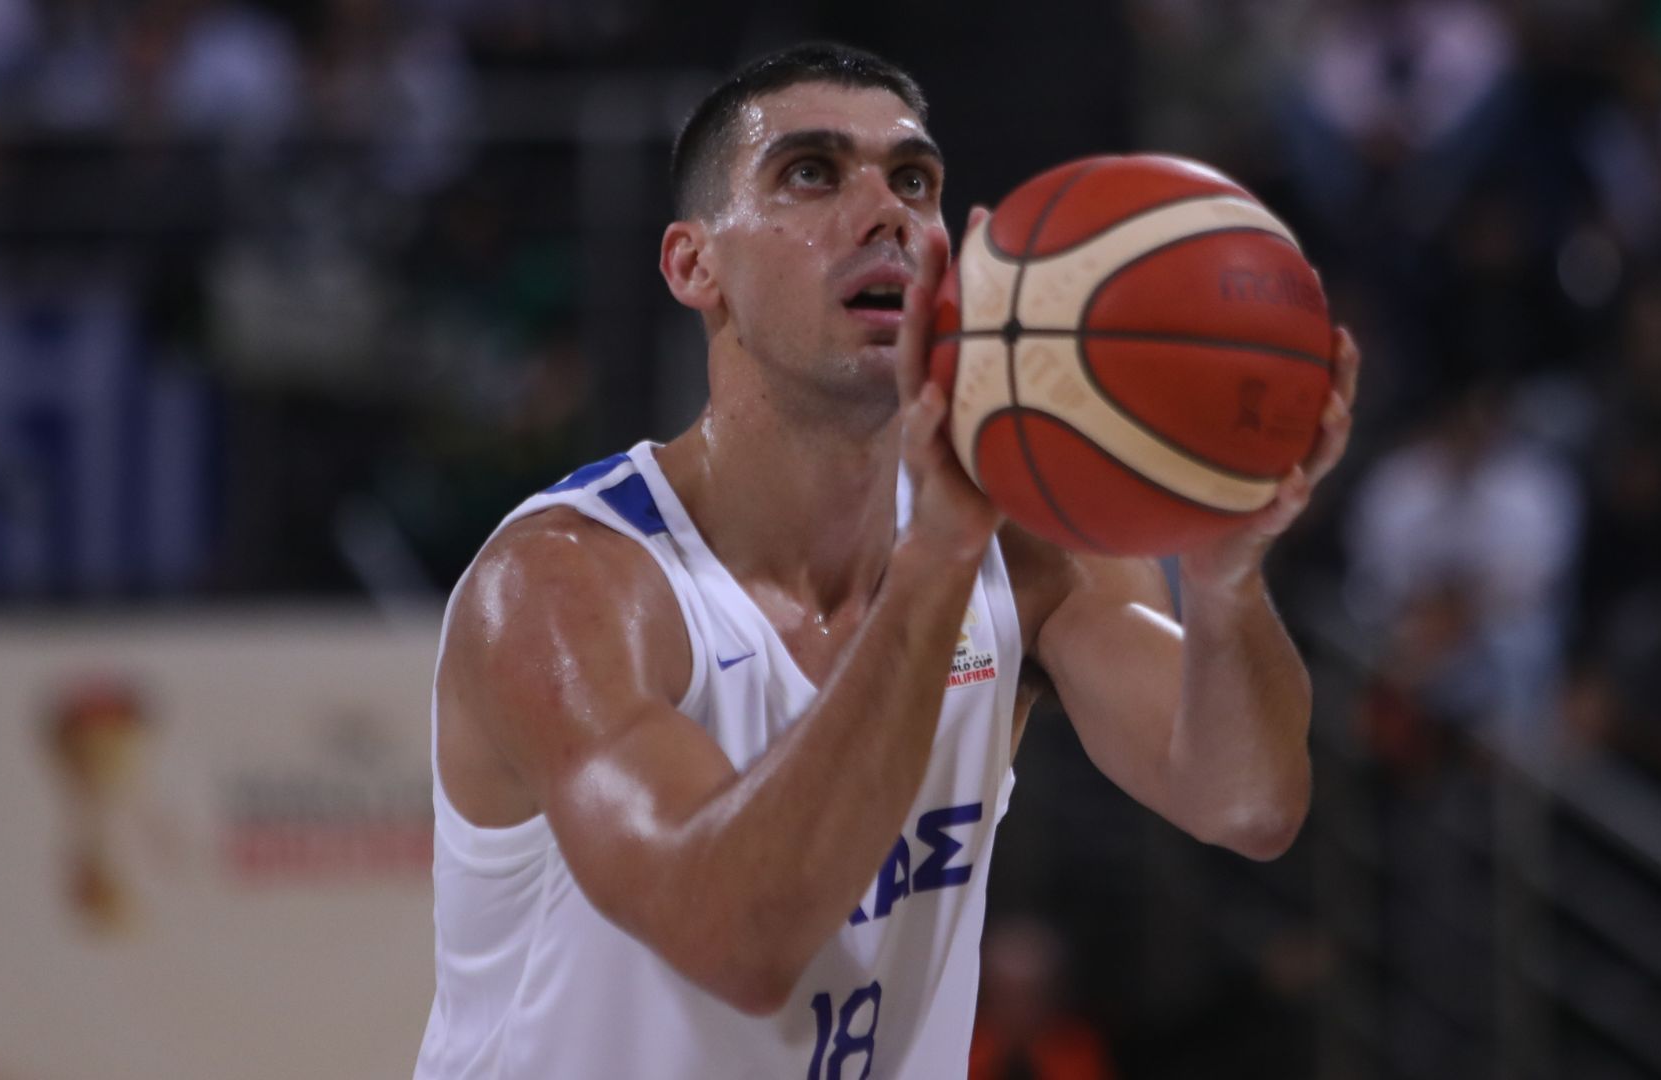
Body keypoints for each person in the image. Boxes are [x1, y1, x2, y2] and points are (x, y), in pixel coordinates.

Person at [413, 42, 1360, 1079]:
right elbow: (738, 940)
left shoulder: (1027, 557)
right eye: (811, 173)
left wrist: (1226, 577)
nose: (885, 213)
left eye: (913, 181)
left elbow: (1246, 801)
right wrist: (936, 559)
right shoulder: (564, 587)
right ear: (694, 266)